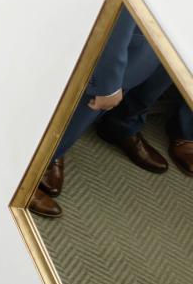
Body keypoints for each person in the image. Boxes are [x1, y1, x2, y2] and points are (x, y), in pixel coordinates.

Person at [32, 11, 177, 217]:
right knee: (68, 113)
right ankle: (21, 174)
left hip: (153, 45)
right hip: (116, 44)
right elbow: (119, 13)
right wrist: (107, 83)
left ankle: (44, 157)